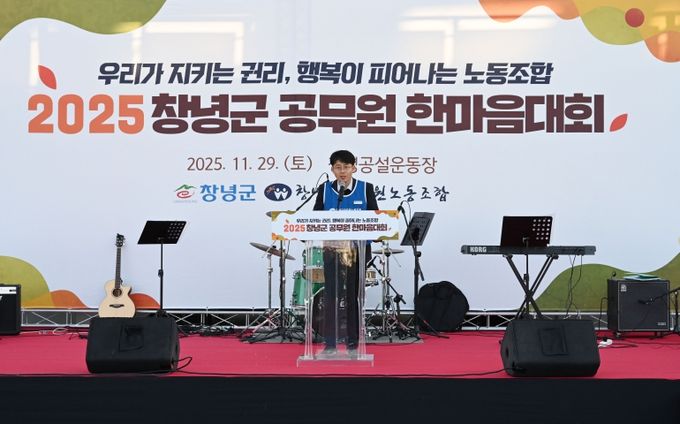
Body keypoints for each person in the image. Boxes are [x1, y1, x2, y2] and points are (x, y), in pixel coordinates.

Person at [313, 150, 378, 354]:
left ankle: (352, 343)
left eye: (347, 167)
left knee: (352, 297)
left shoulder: (366, 188)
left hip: (357, 251)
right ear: (332, 169)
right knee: (331, 296)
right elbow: (315, 219)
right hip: (332, 250)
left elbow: (376, 218)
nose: (342, 171)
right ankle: (330, 344)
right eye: (338, 167)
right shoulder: (324, 190)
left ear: (354, 168)